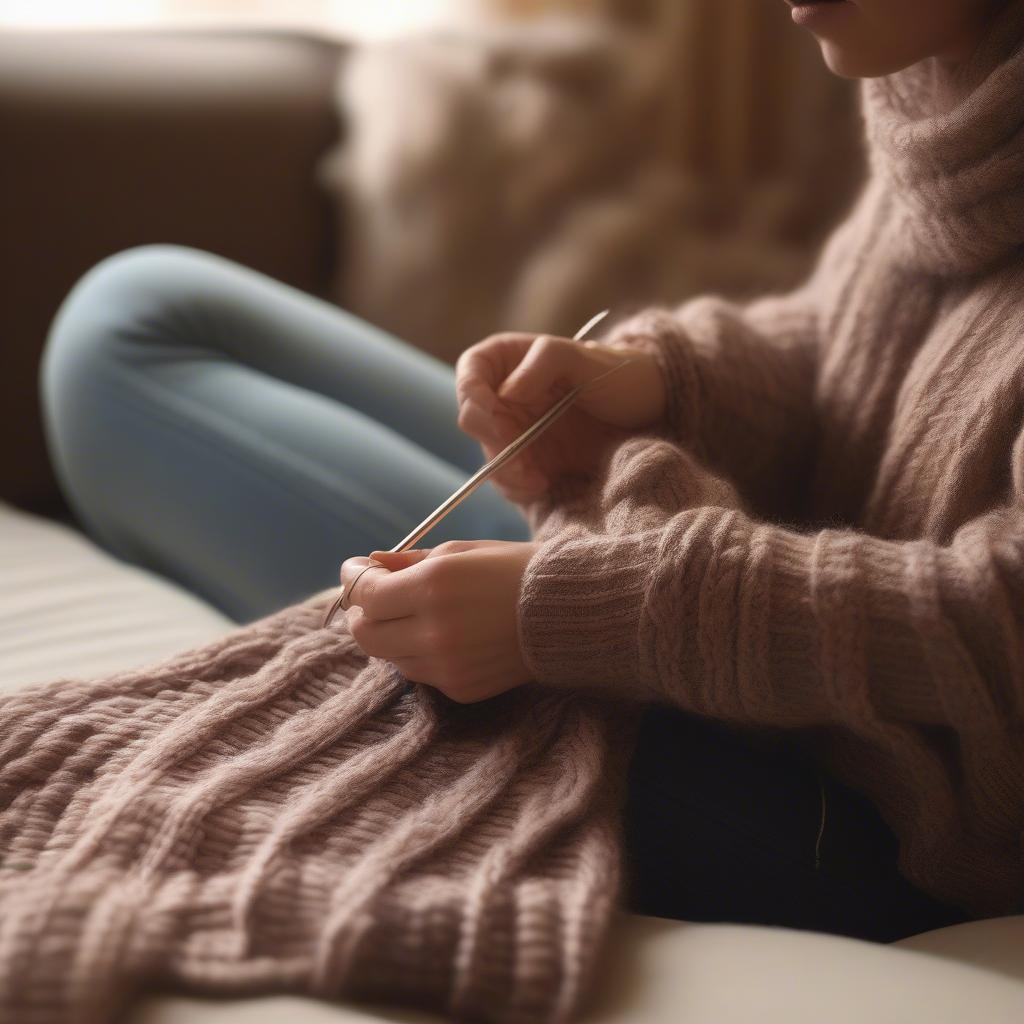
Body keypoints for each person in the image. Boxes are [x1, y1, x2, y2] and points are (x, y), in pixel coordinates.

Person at [41, 0, 1024, 943]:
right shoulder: (949, 91)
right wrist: (655, 380)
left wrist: (568, 612)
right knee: (147, 307)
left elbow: (1001, 624)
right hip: (729, 638)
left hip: (850, 806)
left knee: (121, 366)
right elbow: (846, 361)